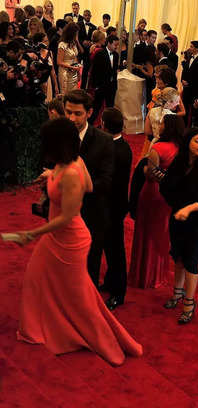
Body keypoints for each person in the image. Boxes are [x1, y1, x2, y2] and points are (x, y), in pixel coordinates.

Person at [4, 117, 142, 366]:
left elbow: (67, 217)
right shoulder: (71, 163)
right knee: (40, 280)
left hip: (69, 240)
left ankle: (107, 344)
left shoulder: (69, 172)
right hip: (57, 237)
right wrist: (51, 178)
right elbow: (89, 185)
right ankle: (48, 329)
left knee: (79, 296)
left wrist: (30, 234)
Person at [159, 127, 198, 324]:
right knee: (178, 257)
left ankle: (189, 303)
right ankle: (177, 293)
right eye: (197, 141)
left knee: (191, 260)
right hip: (178, 217)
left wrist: (189, 209)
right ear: (187, 143)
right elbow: (168, 186)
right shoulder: (179, 162)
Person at [64, 89, 114, 285]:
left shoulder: (104, 141)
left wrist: (74, 184)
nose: (71, 118)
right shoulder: (57, 135)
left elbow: (106, 182)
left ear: (90, 112)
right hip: (61, 215)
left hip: (91, 216)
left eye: (77, 113)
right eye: (68, 112)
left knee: (88, 271)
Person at [128, 114, 184, 289]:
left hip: (152, 194)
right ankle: (158, 274)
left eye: (162, 124)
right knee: (161, 234)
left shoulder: (158, 148)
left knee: (146, 234)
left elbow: (151, 175)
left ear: (168, 128)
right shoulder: (182, 148)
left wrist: (144, 169)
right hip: (170, 197)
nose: (159, 126)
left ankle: (143, 275)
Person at [100, 108, 131, 310]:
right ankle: (111, 282)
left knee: (115, 251)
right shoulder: (122, 146)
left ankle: (119, 293)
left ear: (104, 125)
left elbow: (109, 183)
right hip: (114, 205)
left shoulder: (113, 150)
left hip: (112, 207)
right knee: (110, 248)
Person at [87, 33, 118, 124]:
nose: (116, 47)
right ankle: (89, 124)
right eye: (115, 45)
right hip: (101, 86)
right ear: (109, 43)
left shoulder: (116, 55)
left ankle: (108, 126)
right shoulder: (100, 53)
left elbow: (114, 70)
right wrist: (95, 86)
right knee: (96, 107)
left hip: (111, 86)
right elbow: (94, 71)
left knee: (110, 108)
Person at [56, 21, 81, 93]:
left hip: (74, 72)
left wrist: (78, 72)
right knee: (65, 94)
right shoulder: (62, 44)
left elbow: (75, 58)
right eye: (76, 34)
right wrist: (72, 67)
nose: (77, 36)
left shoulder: (73, 44)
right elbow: (59, 61)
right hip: (65, 73)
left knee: (73, 95)